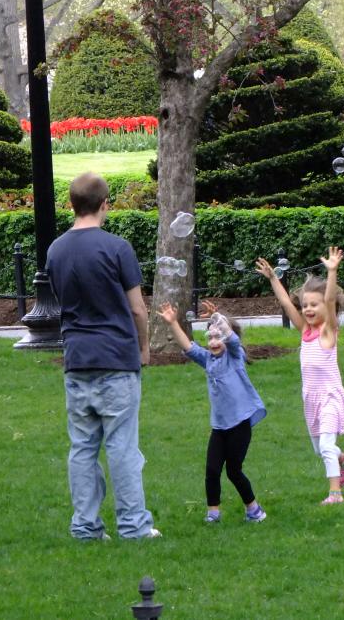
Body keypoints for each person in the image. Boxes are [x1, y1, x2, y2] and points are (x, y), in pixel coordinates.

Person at [46, 172, 159, 540]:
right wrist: (143, 346)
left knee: (82, 448)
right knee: (122, 447)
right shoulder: (117, 248)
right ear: (105, 204)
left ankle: (85, 526)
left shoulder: (55, 250)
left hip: (76, 359)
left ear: (71, 204)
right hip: (116, 359)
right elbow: (138, 309)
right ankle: (133, 526)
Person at [255, 247, 344, 504]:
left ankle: (335, 494)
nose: (308, 309)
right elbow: (284, 303)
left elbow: (329, 301)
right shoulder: (305, 331)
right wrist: (273, 279)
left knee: (326, 446)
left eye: (314, 305)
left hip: (330, 398)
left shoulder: (329, 332)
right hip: (311, 399)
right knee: (320, 449)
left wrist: (332, 271)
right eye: (305, 306)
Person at [157, 300, 268, 524]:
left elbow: (232, 340)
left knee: (233, 471)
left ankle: (254, 510)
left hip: (239, 424)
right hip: (219, 426)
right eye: (209, 338)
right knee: (212, 469)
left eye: (218, 337)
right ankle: (213, 513)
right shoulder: (208, 360)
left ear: (227, 338)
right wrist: (172, 323)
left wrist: (218, 319)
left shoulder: (235, 357)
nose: (213, 342)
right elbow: (188, 346)